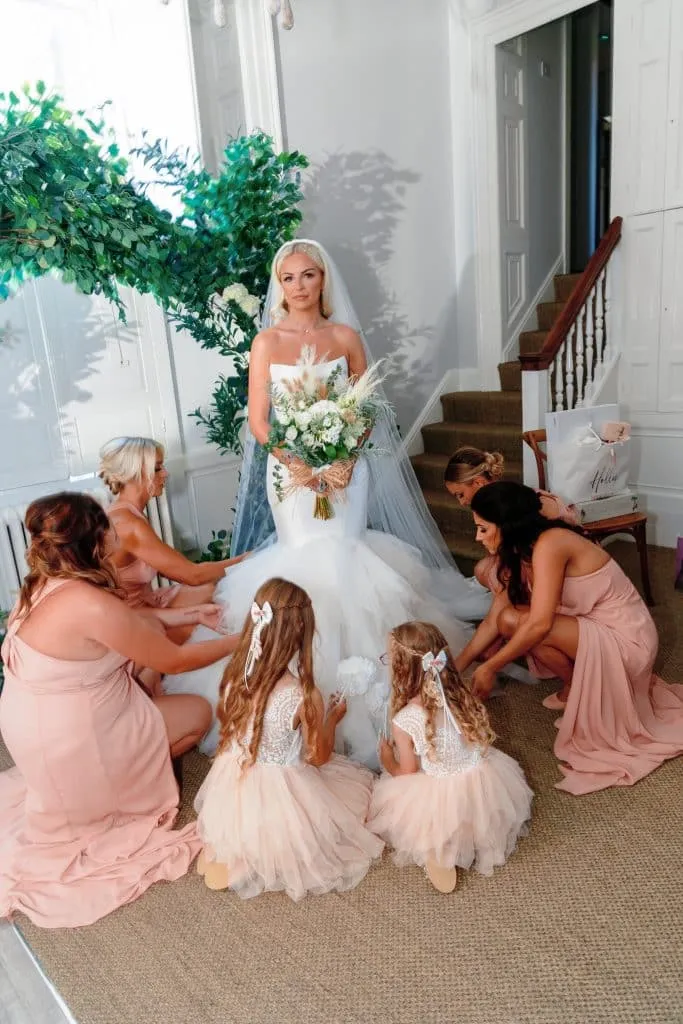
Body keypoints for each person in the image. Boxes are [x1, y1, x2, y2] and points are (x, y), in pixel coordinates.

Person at [165, 240, 489, 766]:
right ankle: (298, 691)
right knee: (305, 556)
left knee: (345, 551)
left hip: (347, 470)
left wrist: (344, 459)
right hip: (289, 472)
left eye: (308, 275)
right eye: (288, 277)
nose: (299, 286)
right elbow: (259, 419)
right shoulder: (267, 342)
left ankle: (370, 692)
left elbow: (367, 410)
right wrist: (295, 463)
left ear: (323, 280)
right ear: (279, 285)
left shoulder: (345, 337)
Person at [0, 493, 240, 928]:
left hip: (32, 733)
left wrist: (190, 615)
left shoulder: (39, 585)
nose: (113, 535)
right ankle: (116, 791)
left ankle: (106, 775)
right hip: (71, 742)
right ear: (94, 541)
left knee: (148, 683)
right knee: (198, 713)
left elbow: (127, 625)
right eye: (105, 529)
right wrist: (241, 641)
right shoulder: (88, 602)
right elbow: (174, 661)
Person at [455, 481, 683, 795]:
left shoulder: (552, 542)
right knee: (508, 618)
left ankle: (578, 684)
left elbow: (540, 623)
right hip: (593, 626)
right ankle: (575, 684)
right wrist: (454, 668)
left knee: (524, 623)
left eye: (483, 529)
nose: (478, 537)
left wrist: (490, 667)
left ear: (507, 526)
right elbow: (493, 621)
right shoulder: (520, 550)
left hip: (628, 638)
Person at [194, 578, 384, 898]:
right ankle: (260, 852)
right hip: (281, 795)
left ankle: (234, 847)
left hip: (234, 783)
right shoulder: (302, 695)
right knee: (356, 800)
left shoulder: (236, 676)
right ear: (300, 633)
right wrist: (332, 719)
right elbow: (317, 757)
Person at [368, 621, 532, 893]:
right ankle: (470, 830)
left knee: (409, 806)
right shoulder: (460, 694)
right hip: (482, 782)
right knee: (471, 801)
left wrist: (387, 759)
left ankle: (439, 844)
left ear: (400, 669)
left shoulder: (405, 719)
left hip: (441, 792)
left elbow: (407, 771)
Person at [100, 436, 245, 643]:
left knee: (218, 591)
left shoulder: (128, 512)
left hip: (147, 603)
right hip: (131, 621)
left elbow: (178, 570)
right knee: (221, 616)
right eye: (158, 468)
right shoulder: (128, 525)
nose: (166, 473)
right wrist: (247, 561)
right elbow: (193, 575)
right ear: (136, 473)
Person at [444, 445, 579, 592]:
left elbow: (546, 547)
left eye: (461, 495)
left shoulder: (522, 503)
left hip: (560, 558)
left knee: (494, 572)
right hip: (532, 556)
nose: (461, 503)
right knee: (484, 569)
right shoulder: (489, 506)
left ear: (478, 482)